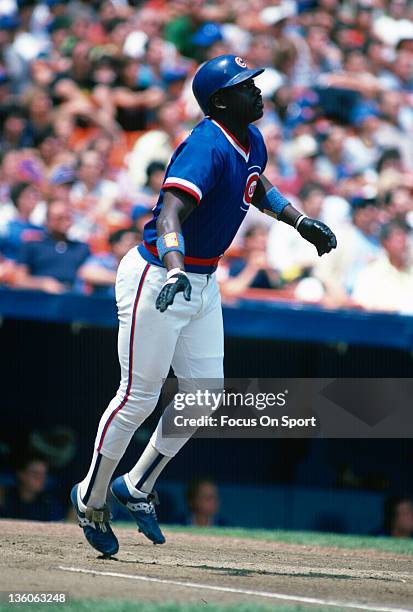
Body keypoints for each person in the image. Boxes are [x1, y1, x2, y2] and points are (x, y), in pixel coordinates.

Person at [70, 55, 336, 557]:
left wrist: (300, 221)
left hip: (203, 279)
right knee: (138, 397)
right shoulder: (206, 143)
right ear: (219, 101)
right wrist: (173, 268)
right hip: (158, 275)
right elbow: (170, 209)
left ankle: (137, 484)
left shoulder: (250, 138)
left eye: (255, 81)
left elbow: (255, 187)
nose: (257, 91)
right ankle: (91, 496)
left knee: (203, 395)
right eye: (245, 85)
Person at [15, 199, 90, 293]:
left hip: (72, 300)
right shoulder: (33, 244)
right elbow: (19, 280)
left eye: (68, 217)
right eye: (59, 218)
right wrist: (42, 284)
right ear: (48, 221)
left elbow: (88, 274)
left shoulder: (81, 248)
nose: (65, 221)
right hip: (40, 300)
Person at [352, 221, 413, 314]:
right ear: (385, 243)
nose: (404, 245)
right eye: (399, 240)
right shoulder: (371, 273)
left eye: (406, 240)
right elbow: (361, 305)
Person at [0, 454, 64, 522]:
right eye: (35, 474)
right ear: (21, 475)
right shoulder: (4, 495)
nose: (41, 478)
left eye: (44, 474)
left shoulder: (49, 504)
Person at [77, 228, 138, 298]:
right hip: (100, 304)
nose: (135, 248)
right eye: (131, 244)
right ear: (115, 245)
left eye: (137, 244)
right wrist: (125, 279)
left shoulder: (139, 264)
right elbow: (86, 273)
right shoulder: (103, 259)